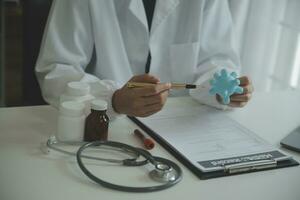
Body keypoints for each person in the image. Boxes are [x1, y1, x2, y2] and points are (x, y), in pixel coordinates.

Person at [35, 0, 253, 119]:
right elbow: (57, 70)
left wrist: (222, 89)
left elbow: (217, 59)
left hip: (183, 128)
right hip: (104, 127)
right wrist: (113, 100)